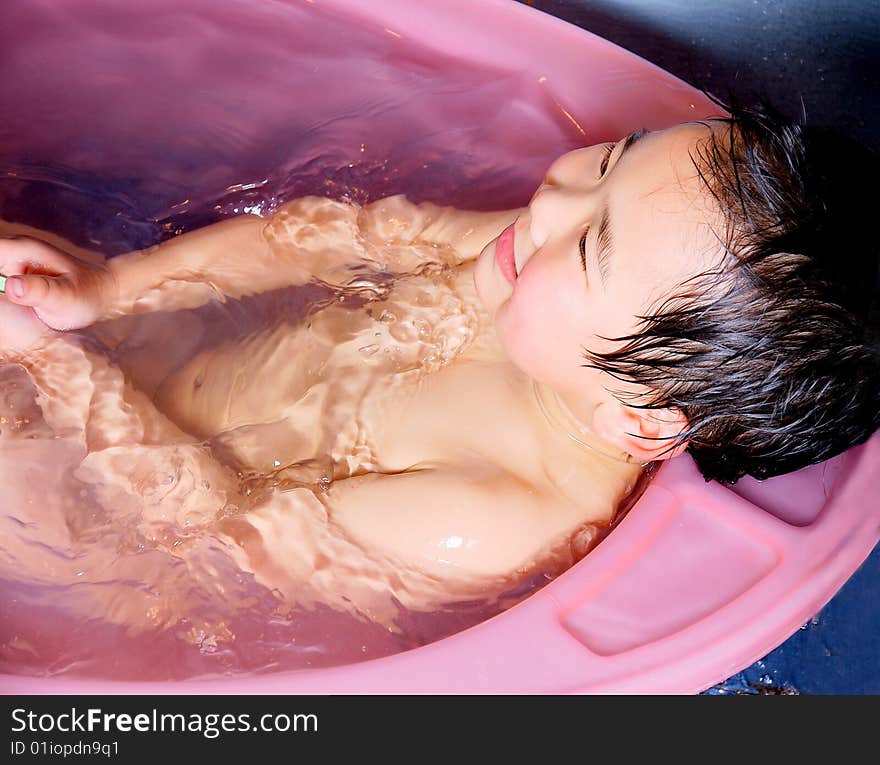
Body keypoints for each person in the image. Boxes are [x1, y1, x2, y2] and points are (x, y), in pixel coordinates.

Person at [0, 101, 877, 632]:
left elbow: (213, 530)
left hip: (100, 522)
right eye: (611, 159)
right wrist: (109, 293)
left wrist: (57, 364)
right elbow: (324, 237)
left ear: (639, 417)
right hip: (181, 373)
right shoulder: (526, 268)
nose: (553, 193)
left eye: (588, 242)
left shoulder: (495, 509)